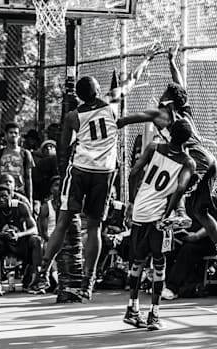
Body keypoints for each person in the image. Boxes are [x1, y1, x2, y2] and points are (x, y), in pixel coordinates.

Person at [28, 72, 160, 299]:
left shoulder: (72, 116)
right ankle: (88, 281)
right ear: (98, 91)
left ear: (79, 96)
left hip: (80, 170)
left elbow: (64, 147)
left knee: (62, 223)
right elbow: (129, 83)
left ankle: (43, 272)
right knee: (94, 227)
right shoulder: (112, 104)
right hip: (103, 173)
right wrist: (145, 60)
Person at [154, 47, 217, 278]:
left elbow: (174, 89)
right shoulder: (183, 109)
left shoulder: (167, 111)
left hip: (196, 158)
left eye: (162, 96)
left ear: (168, 101)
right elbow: (179, 86)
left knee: (175, 185)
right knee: (200, 211)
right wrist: (172, 61)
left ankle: (179, 213)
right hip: (208, 160)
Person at [123, 119, 196, 330]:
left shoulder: (154, 147)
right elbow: (181, 188)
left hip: (140, 209)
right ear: (188, 140)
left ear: (170, 133)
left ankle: (132, 307)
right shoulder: (187, 162)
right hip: (158, 216)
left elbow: (135, 171)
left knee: (137, 260)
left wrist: (131, 201)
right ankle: (154, 313)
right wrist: (168, 212)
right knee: (159, 262)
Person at [0, 184, 42, 296]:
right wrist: (3, 234)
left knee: (36, 240)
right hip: (3, 242)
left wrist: (18, 235)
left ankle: (36, 280)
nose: (1, 200)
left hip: (20, 242)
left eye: (4, 196)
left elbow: (34, 229)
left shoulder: (21, 206)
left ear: (11, 196)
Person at [0, 122, 34, 204]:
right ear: (5, 135)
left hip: (19, 191)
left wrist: (30, 198)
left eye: (16, 133)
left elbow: (28, 178)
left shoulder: (25, 153)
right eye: (11, 132)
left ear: (19, 136)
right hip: (1, 192)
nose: (13, 135)